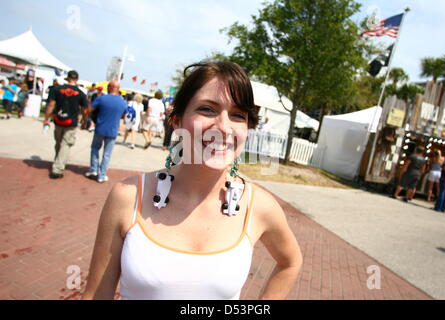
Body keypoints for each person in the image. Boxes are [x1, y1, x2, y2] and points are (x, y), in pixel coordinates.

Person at [83, 61, 302, 300]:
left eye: (238, 115)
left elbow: (290, 262)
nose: (224, 127)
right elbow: (95, 295)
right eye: (207, 109)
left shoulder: (259, 206)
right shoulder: (128, 197)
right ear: (176, 120)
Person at [44, 70, 88, 179]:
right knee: (66, 144)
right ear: (77, 79)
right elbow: (84, 110)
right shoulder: (80, 93)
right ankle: (58, 168)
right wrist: (84, 120)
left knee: (59, 142)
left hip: (58, 120)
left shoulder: (56, 90)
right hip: (71, 122)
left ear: (67, 78)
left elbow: (51, 105)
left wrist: (46, 119)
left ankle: (58, 162)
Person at [85, 80, 127, 183]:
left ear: (108, 88)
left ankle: (93, 169)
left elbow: (89, 110)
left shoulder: (101, 98)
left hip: (100, 128)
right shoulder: (123, 102)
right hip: (112, 130)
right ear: (118, 89)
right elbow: (124, 115)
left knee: (95, 148)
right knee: (107, 154)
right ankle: (102, 175)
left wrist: (91, 119)